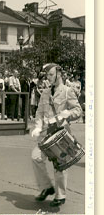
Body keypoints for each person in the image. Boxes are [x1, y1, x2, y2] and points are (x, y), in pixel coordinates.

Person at [31, 63, 82, 207]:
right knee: (36, 157)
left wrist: (68, 114)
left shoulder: (67, 91)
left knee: (60, 165)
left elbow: (78, 110)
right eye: (47, 75)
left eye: (51, 75)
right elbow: (40, 112)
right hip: (47, 133)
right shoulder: (46, 92)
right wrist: (38, 126)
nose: (48, 77)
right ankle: (46, 187)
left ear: (59, 74)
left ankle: (60, 195)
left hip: (61, 133)